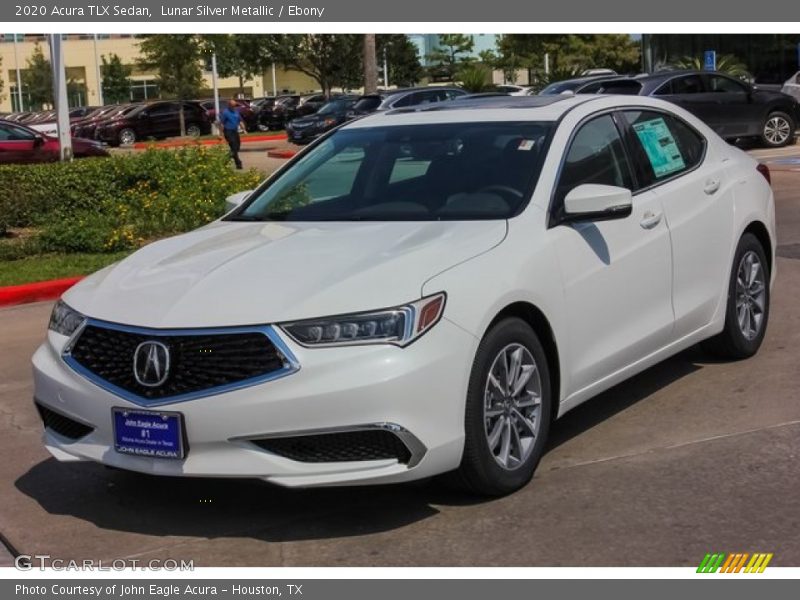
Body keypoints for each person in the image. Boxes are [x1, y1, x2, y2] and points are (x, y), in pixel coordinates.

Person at [219, 99, 243, 169]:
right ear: (229, 105)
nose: (234, 107)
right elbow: (222, 124)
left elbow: (240, 121)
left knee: (237, 147)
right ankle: (238, 163)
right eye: (233, 106)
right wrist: (221, 134)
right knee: (233, 147)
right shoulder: (225, 113)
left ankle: (226, 160)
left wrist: (244, 129)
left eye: (235, 105)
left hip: (235, 131)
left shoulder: (236, 112)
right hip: (228, 131)